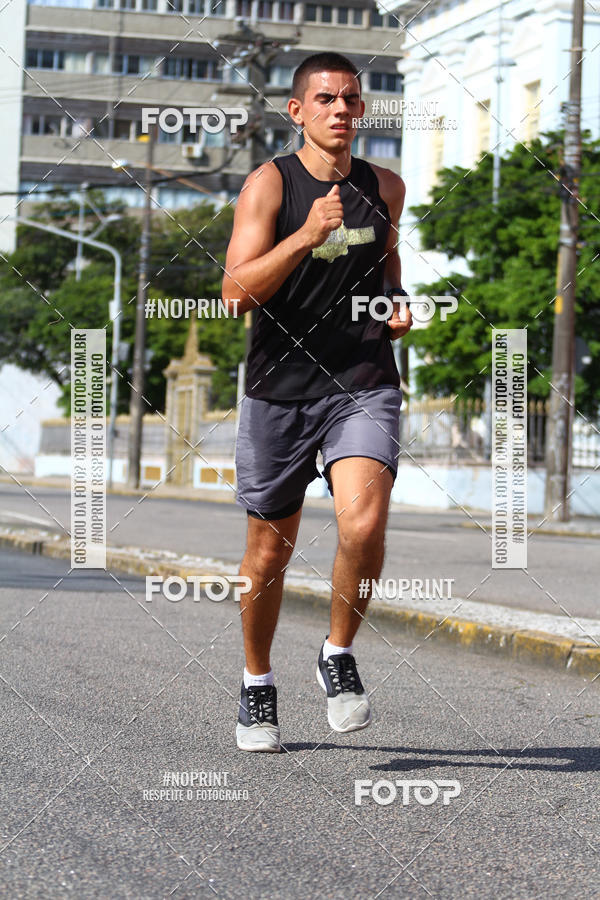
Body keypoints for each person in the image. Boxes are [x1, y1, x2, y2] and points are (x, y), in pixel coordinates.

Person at [221, 52, 412, 753]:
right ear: (298, 111)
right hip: (280, 390)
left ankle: (337, 655)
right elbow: (236, 292)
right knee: (269, 552)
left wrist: (395, 303)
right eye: (326, 98)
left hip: (363, 380)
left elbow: (387, 264)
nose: (341, 109)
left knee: (364, 521)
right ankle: (256, 684)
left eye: (352, 99)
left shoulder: (386, 185)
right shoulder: (270, 186)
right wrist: (307, 235)